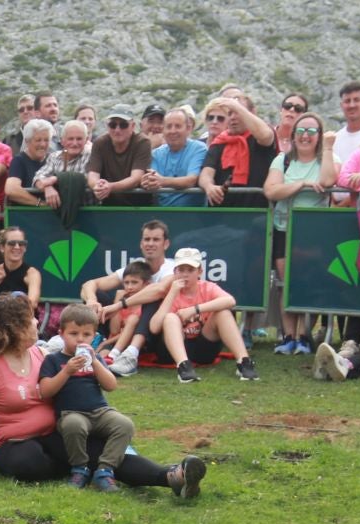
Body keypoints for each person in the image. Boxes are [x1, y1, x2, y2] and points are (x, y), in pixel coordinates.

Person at [0, 294, 202, 495]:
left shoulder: (39, 355)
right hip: (14, 444)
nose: (36, 323)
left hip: (56, 434)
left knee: (101, 453)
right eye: (31, 318)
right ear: (15, 327)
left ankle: (172, 477)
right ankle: (78, 467)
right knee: (30, 461)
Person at [38, 304, 149, 492]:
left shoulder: (96, 358)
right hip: (71, 413)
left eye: (86, 335)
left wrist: (95, 362)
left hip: (99, 411)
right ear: (61, 334)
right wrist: (67, 371)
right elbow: (46, 390)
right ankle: (80, 468)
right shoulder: (54, 360)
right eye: (74, 334)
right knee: (74, 425)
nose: (80, 339)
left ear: (94, 336)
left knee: (124, 424)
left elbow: (111, 386)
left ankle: (105, 470)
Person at [265, 112, 340, 354]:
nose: (305, 136)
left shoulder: (328, 158)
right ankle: (289, 336)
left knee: (310, 283)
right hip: (284, 228)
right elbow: (271, 191)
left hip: (314, 231)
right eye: (300, 131)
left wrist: (327, 148)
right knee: (285, 284)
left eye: (311, 131)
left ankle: (305, 335)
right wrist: (301, 185)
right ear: (293, 134)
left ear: (319, 135)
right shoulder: (282, 161)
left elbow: (329, 180)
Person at [75, 220, 175, 374]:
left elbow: (160, 290)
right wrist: (91, 300)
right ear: (141, 243)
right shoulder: (135, 267)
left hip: (155, 331)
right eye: (147, 239)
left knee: (152, 298)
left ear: (166, 244)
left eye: (156, 239)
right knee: (96, 294)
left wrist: (119, 304)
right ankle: (93, 341)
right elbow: (89, 284)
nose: (150, 243)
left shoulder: (171, 267)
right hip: (121, 327)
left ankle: (130, 355)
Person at [151, 247, 257, 382]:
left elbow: (230, 301)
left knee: (223, 312)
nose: (185, 275)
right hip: (171, 351)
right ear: (174, 272)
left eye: (190, 270)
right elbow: (154, 328)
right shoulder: (169, 291)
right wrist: (172, 293)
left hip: (204, 348)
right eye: (181, 270)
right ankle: (183, 367)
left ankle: (244, 362)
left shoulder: (207, 287)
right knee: (170, 318)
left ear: (200, 271)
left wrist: (195, 309)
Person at [199, 95, 278, 207]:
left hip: (256, 213)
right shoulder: (220, 142)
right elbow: (206, 172)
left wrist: (235, 106)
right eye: (230, 113)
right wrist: (209, 186)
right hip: (222, 214)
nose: (233, 117)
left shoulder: (259, 136)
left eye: (238, 111)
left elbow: (265, 136)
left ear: (252, 113)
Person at [86, 107, 151, 206]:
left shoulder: (142, 142)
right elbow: (93, 175)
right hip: (108, 205)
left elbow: (136, 178)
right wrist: (98, 186)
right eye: (113, 125)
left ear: (133, 126)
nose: (117, 130)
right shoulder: (100, 143)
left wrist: (110, 187)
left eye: (123, 125)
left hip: (138, 205)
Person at [145, 108, 208, 207]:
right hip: (161, 214)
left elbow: (191, 180)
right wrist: (147, 181)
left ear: (188, 128)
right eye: (168, 127)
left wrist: (162, 181)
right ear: (163, 130)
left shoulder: (199, 149)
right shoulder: (156, 154)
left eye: (178, 126)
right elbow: (152, 179)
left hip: (193, 215)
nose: (173, 131)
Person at [4, 119, 53, 206]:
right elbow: (11, 189)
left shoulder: (53, 160)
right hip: (25, 215)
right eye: (38, 140)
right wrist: (40, 203)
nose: (42, 144)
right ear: (27, 141)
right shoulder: (19, 161)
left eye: (46, 140)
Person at [330, 81, 360, 168]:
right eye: (347, 101)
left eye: (356, 100)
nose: (352, 105)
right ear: (341, 105)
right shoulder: (335, 140)